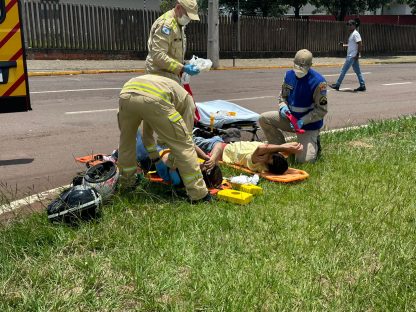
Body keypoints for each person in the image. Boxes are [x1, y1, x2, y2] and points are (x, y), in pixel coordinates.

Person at [117, 73, 210, 203]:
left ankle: (127, 183)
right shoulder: (188, 103)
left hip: (127, 94)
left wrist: (156, 159)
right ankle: (199, 195)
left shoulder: (171, 91)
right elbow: (185, 141)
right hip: (154, 98)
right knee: (184, 145)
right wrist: (171, 165)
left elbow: (147, 135)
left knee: (127, 142)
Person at [259, 49, 327, 163]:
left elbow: (321, 110)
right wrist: (283, 106)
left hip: (307, 126)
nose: (299, 70)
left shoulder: (319, 82)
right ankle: (280, 148)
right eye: (297, 66)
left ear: (310, 66)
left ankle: (315, 141)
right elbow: (283, 97)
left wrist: (302, 121)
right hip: (290, 119)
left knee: (304, 161)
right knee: (263, 119)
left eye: (303, 67)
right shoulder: (288, 75)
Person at [145, 0, 200, 84]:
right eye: (187, 15)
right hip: (159, 77)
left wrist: (184, 65)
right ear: (178, 8)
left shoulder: (178, 24)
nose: (189, 19)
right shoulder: (166, 25)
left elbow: (173, 53)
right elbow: (158, 55)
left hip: (170, 76)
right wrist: (182, 68)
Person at [192, 135, 303, 175]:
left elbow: (261, 148)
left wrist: (283, 147)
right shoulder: (273, 154)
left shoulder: (257, 163)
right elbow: (294, 144)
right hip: (221, 143)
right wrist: (287, 148)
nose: (267, 153)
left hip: (218, 148)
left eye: (267, 157)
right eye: (271, 154)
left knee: (188, 140)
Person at [329, 19, 366, 92]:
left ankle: (337, 85)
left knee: (343, 70)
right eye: (348, 25)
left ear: (354, 25)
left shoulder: (355, 34)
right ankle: (362, 85)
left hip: (352, 56)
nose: (348, 26)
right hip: (353, 56)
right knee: (358, 72)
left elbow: (360, 44)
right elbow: (352, 45)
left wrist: (357, 54)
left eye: (350, 25)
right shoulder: (353, 34)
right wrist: (343, 45)